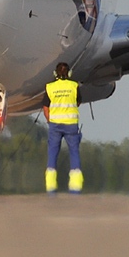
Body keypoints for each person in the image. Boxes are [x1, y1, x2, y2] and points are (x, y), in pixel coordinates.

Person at [42, 62, 83, 193]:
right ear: (69, 73)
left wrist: (50, 120)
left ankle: (50, 185)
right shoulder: (74, 85)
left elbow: (45, 107)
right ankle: (76, 185)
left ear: (55, 74)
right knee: (74, 152)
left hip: (55, 125)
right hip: (71, 124)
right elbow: (78, 102)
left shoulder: (50, 87)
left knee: (53, 153)